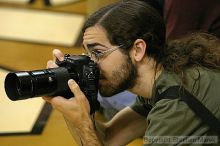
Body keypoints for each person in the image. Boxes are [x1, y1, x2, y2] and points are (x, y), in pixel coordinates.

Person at [43, 0, 220, 145]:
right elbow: (110, 139)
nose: (90, 64)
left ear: (137, 49)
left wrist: (84, 126)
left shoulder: (176, 106)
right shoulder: (161, 79)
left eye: (97, 53)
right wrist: (68, 100)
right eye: (87, 54)